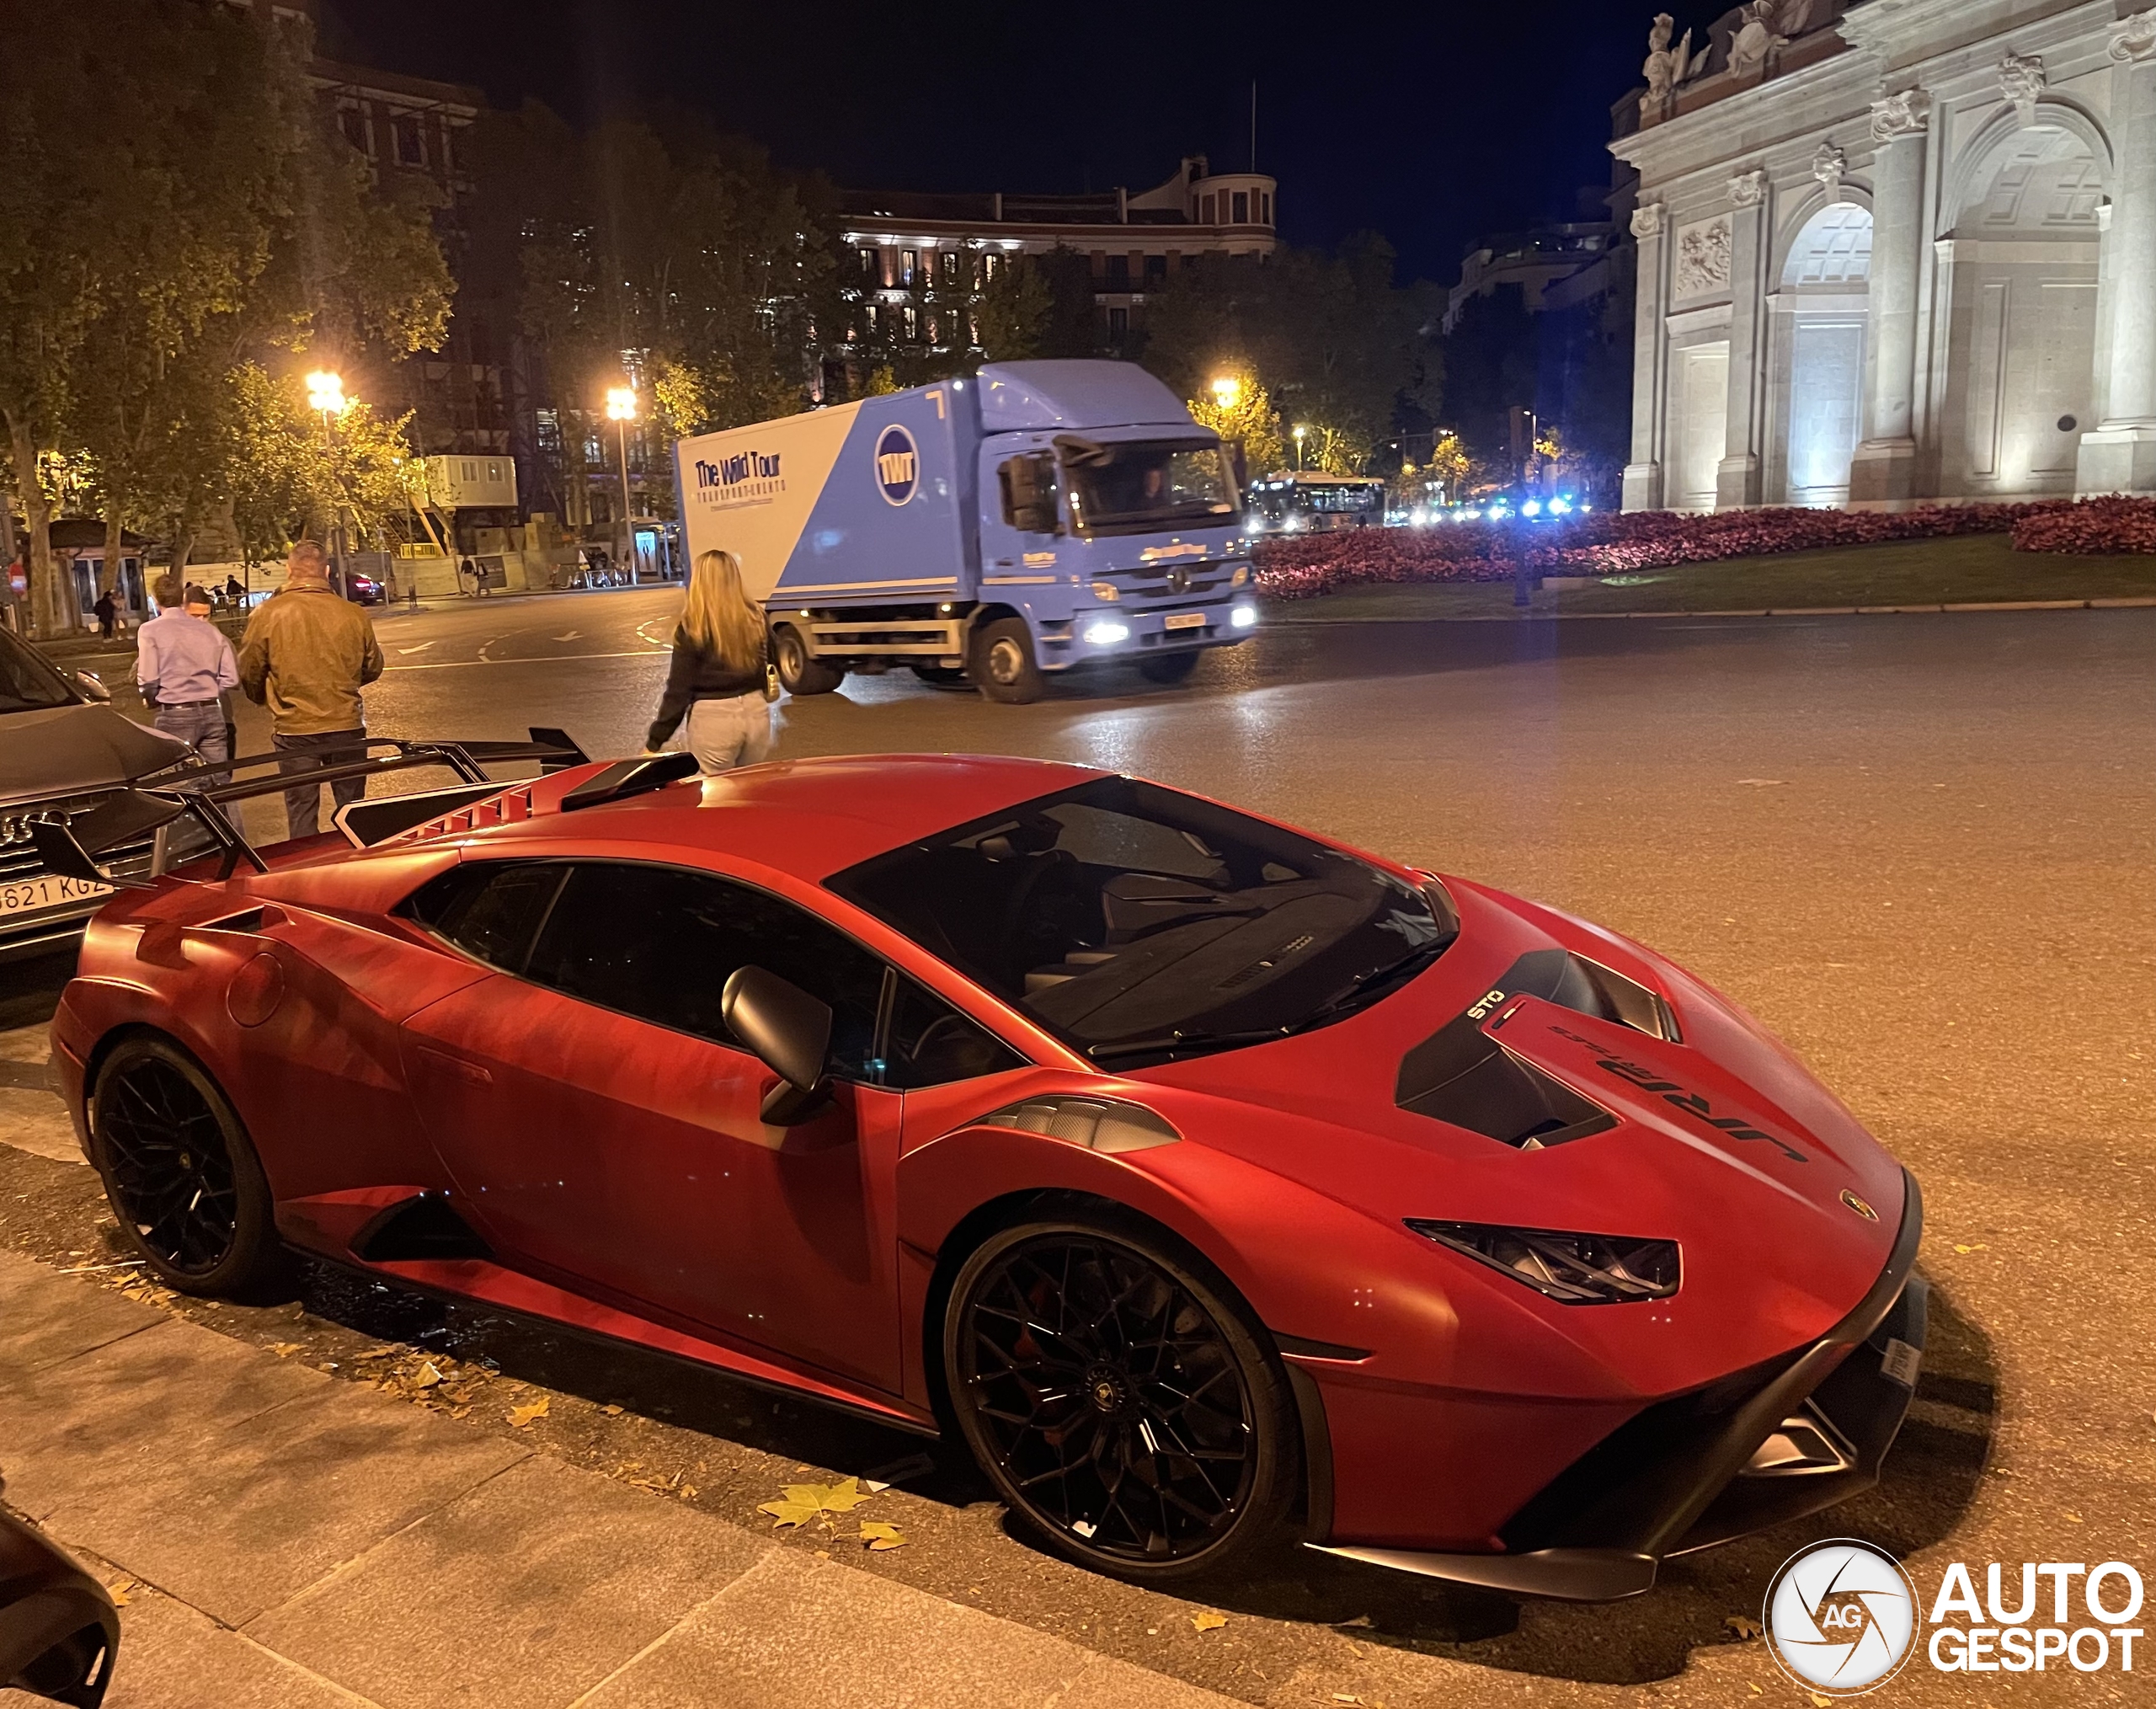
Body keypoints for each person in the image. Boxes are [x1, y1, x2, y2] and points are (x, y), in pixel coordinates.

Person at [237, 540, 384, 838]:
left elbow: (250, 670)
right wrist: (343, 687)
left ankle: (307, 874)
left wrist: (267, 699)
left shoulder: (267, 614)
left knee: (301, 811)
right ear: (326, 571)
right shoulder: (353, 614)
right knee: (354, 811)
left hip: (295, 728)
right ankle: (362, 871)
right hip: (346, 724)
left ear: (290, 570)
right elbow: (373, 667)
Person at [646, 547, 776, 775]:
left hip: (714, 719)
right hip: (756, 714)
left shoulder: (693, 627)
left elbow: (679, 690)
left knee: (716, 797)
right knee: (751, 790)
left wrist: (655, 741)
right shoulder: (756, 617)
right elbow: (772, 661)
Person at [136, 576, 239, 774]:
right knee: (219, 780)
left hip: (176, 713)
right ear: (182, 598)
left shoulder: (150, 630)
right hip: (212, 711)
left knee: (177, 780)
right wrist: (207, 691)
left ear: (155, 599)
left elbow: (148, 678)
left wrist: (151, 698)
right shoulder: (211, 631)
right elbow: (232, 677)